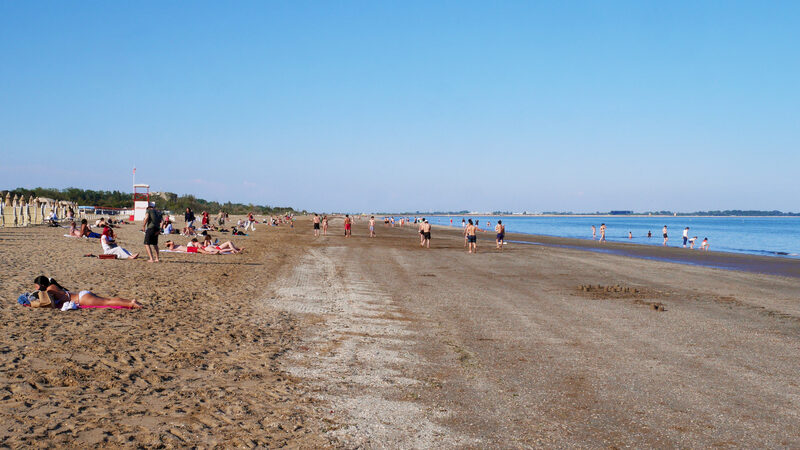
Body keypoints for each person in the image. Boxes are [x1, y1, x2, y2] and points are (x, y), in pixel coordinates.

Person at [33, 275, 142, 309]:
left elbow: (48, 302)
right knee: (106, 300)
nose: (37, 289)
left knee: (107, 302)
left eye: (37, 287)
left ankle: (130, 304)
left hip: (81, 299)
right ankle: (131, 301)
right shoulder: (53, 285)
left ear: (42, 285)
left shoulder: (50, 289)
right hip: (82, 295)